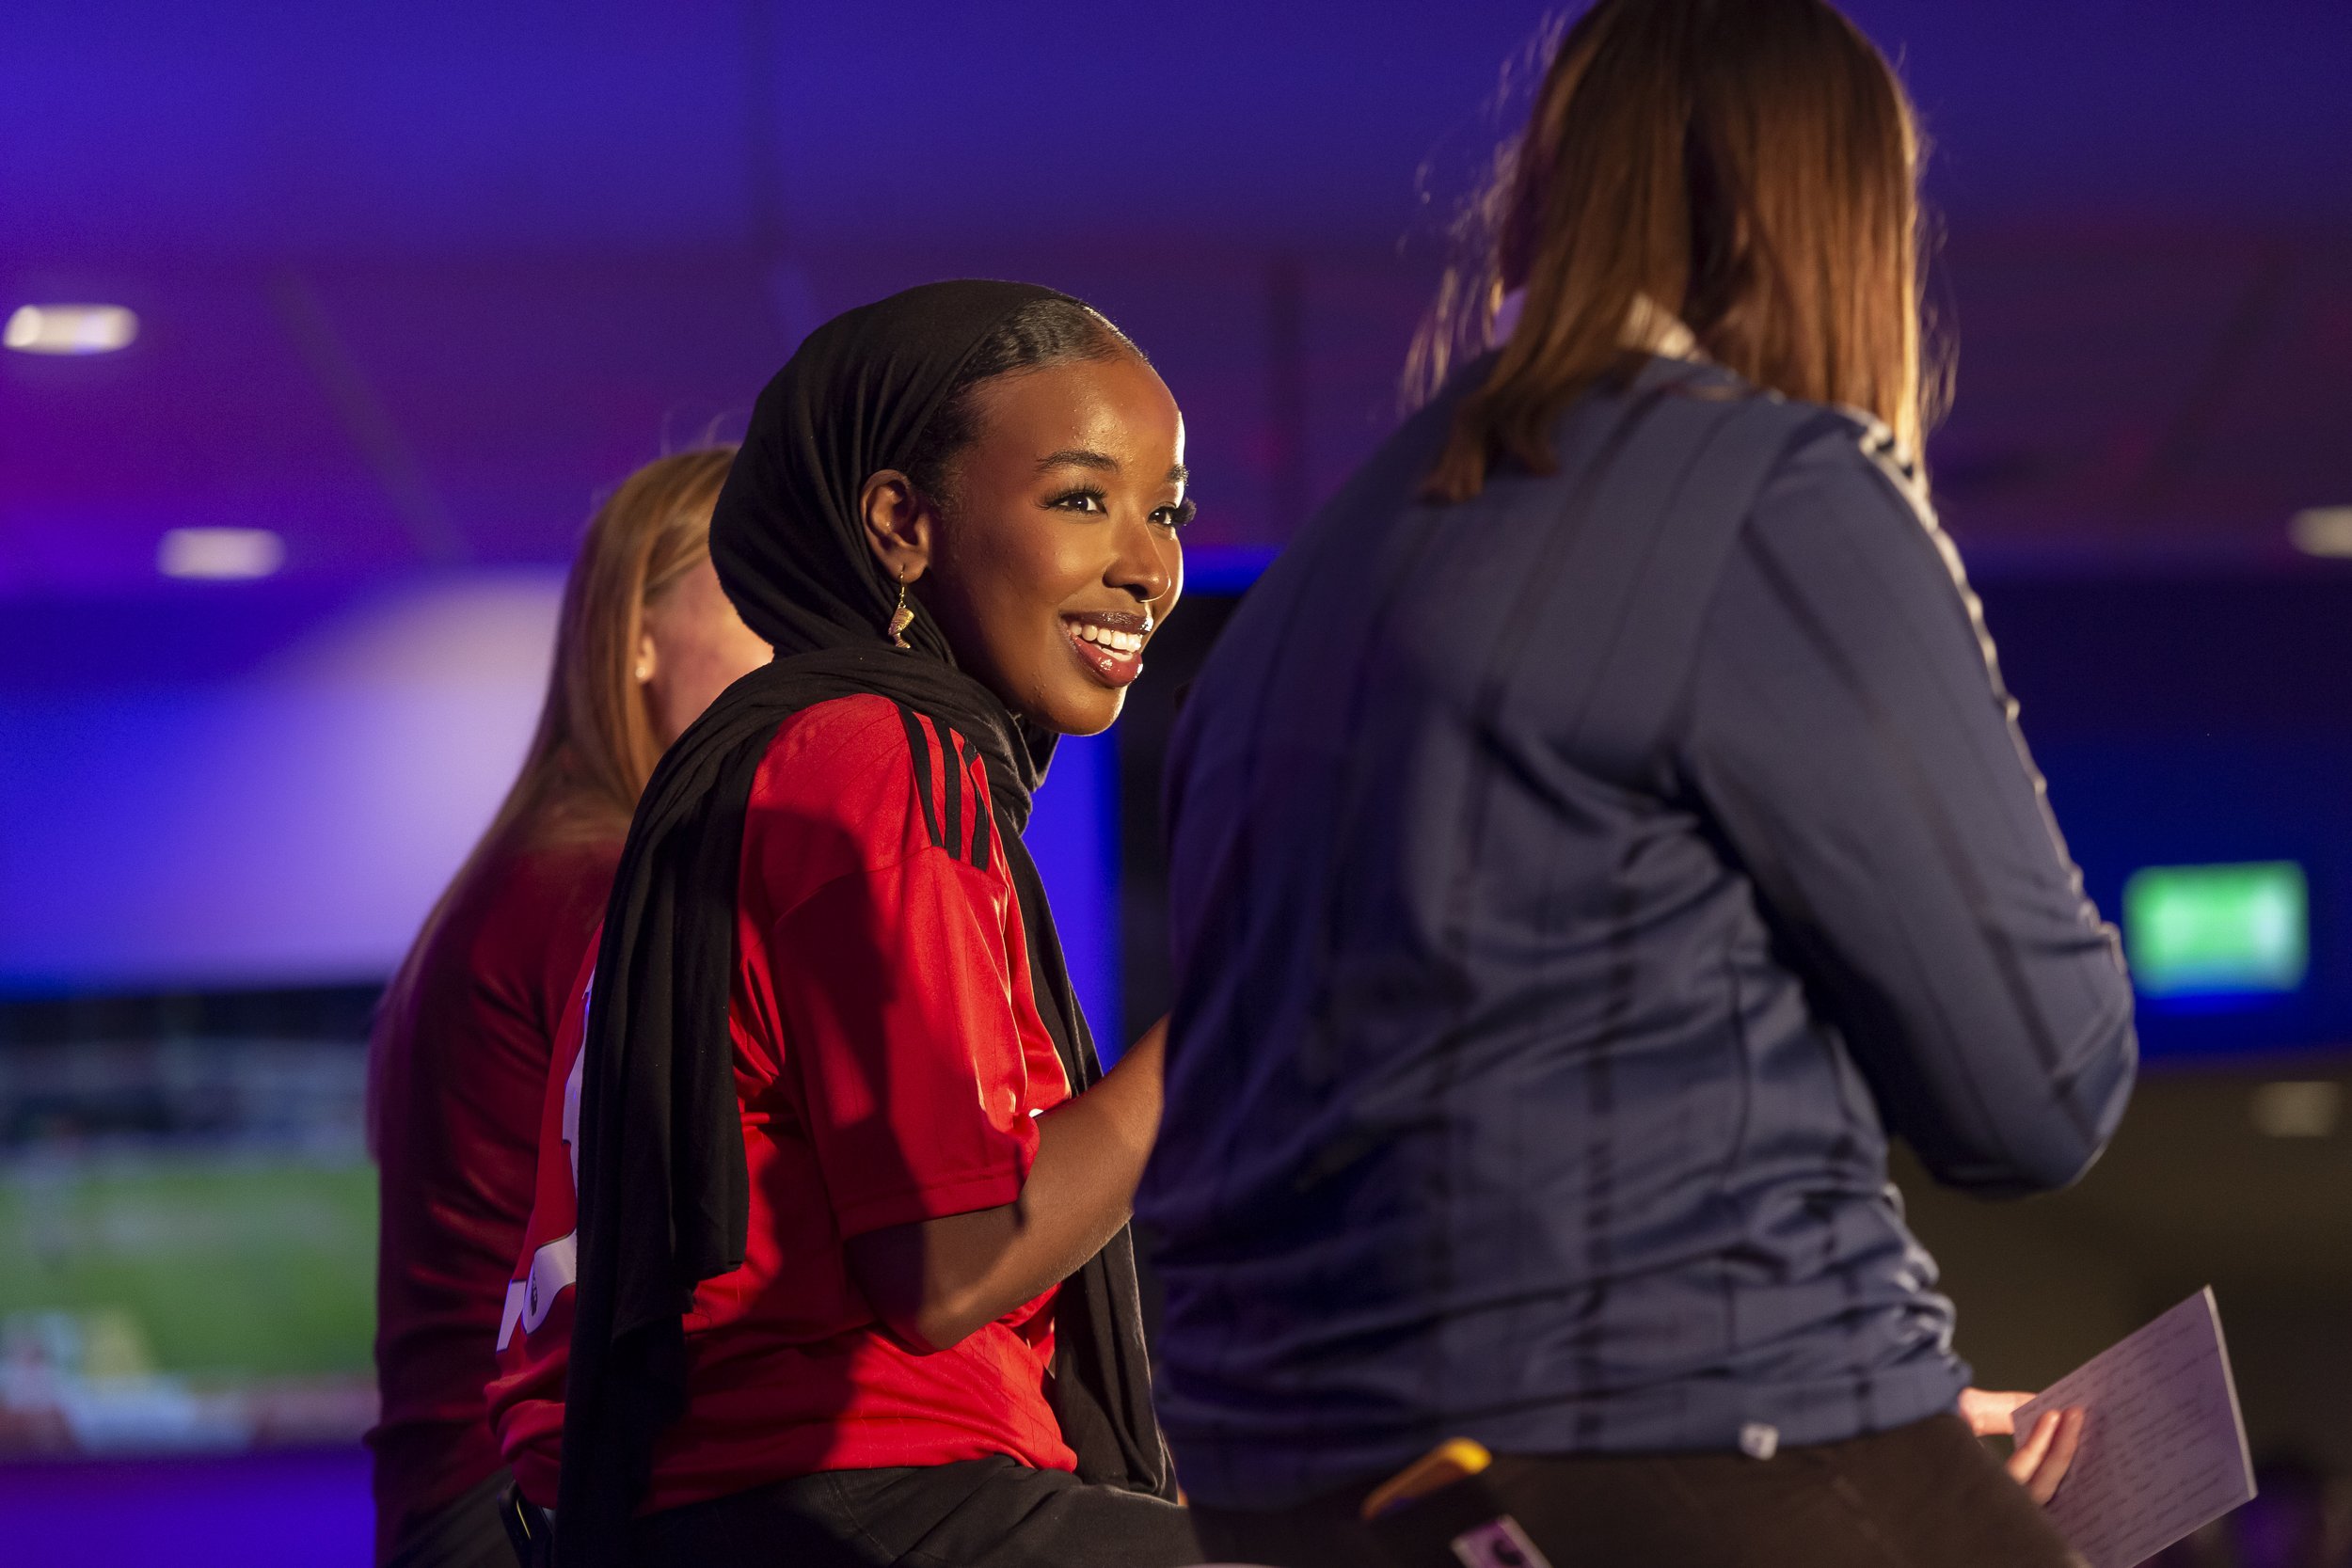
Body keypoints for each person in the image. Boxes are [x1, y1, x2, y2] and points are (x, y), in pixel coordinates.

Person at [1137, 3, 2137, 1565]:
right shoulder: (1781, 492)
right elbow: (2038, 1088)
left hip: (1296, 1492)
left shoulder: (1320, 568)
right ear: (1823, 220)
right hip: (1682, 1432)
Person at [485, 281, 1200, 1568]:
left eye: (1167, 510)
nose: (1149, 563)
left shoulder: (792, 748)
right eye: (1083, 498)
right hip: (842, 1492)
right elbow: (947, 1260)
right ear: (902, 523)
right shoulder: (876, 758)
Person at [367, 448, 771, 1568]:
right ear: (635, 637)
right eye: (759, 598)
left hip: (487, 1496)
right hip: (527, 1501)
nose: (804, 647)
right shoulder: (603, 886)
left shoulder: (556, 864)